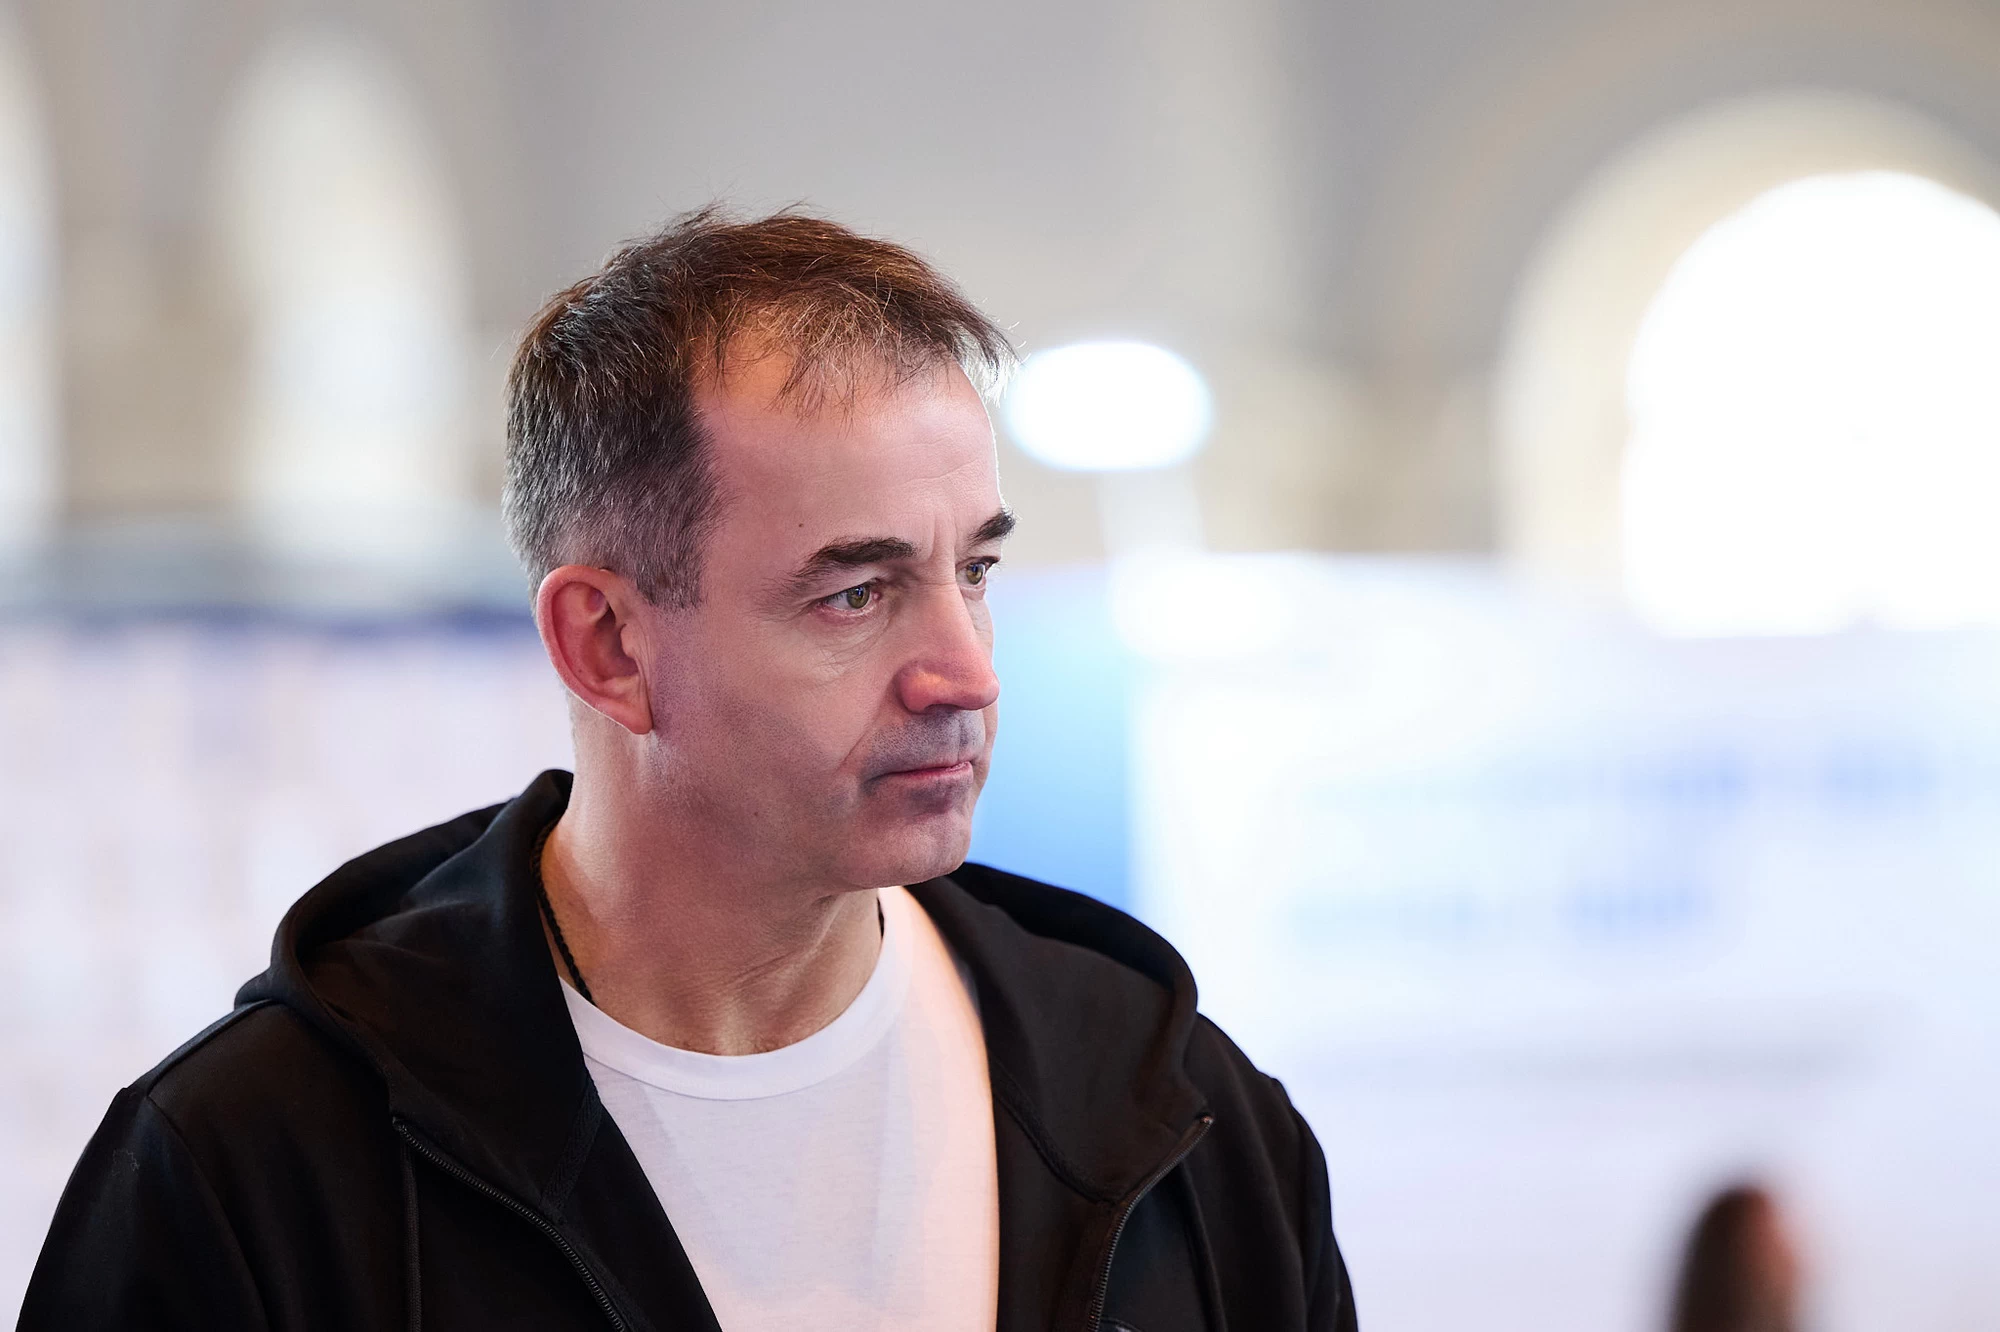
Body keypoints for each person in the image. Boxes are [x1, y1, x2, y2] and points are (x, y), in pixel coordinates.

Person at [21, 209, 1357, 1331]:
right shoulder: (259, 1167)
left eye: (975, 571)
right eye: (856, 593)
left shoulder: (1181, 1122)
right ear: (606, 645)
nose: (967, 673)